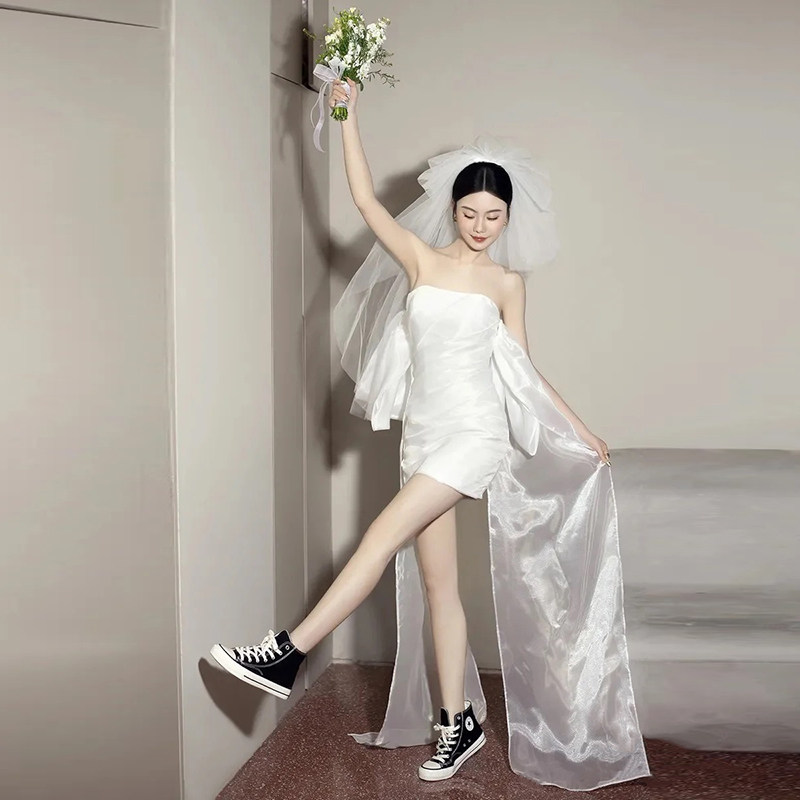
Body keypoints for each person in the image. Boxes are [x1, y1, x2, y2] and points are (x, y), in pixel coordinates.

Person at [211, 78, 650, 790]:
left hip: (474, 436)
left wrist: (582, 430)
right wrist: (346, 112)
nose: (482, 225)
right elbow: (362, 201)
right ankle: (458, 722)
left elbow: (524, 371)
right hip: (422, 437)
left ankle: (287, 651)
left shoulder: (506, 284)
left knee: (378, 539)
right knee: (441, 589)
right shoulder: (420, 258)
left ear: (508, 218)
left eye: (495, 216)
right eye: (471, 212)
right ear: (454, 208)